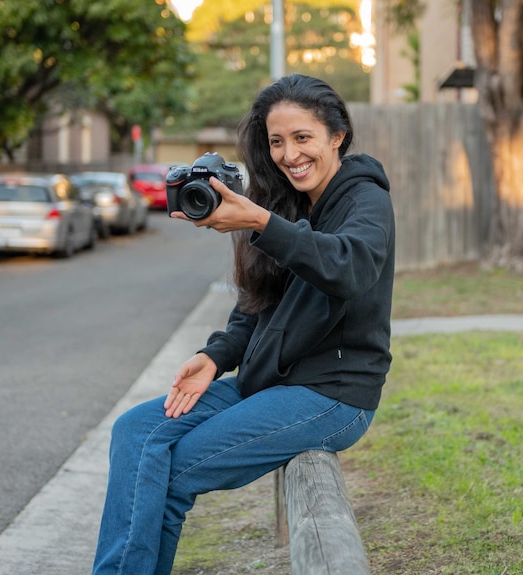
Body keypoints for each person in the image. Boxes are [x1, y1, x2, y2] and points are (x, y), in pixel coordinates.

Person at [92, 74, 395, 575]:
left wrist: (261, 224)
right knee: (135, 430)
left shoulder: (365, 199)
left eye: (303, 138)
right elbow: (258, 303)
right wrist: (216, 355)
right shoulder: (290, 201)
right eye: (277, 141)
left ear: (336, 135)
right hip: (269, 381)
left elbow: (350, 268)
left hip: (332, 395)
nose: (289, 154)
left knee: (173, 472)